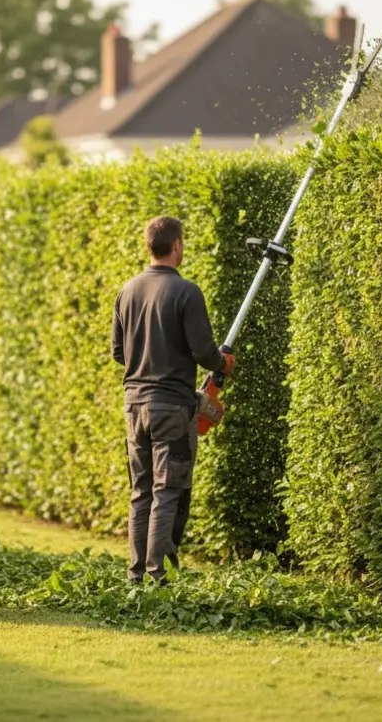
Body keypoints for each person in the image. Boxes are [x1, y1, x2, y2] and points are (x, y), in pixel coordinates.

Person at [110, 216, 235, 584]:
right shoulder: (187, 292)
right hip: (172, 408)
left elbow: (120, 352)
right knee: (167, 491)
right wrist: (223, 362)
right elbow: (203, 352)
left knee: (141, 491)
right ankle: (157, 575)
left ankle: (135, 576)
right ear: (177, 245)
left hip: (134, 406)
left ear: (149, 246)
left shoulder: (127, 291)